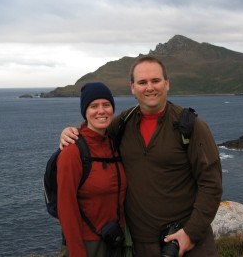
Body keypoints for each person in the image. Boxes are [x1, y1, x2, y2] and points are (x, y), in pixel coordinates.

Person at [60, 56, 223, 257]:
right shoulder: (122, 123)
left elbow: (211, 184)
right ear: (132, 87)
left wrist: (190, 233)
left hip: (186, 244)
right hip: (140, 245)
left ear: (167, 83)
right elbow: (94, 132)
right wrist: (71, 133)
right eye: (142, 82)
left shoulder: (191, 126)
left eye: (155, 81)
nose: (149, 88)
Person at [57, 82, 127, 257]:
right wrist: (77, 252)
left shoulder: (115, 144)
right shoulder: (72, 151)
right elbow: (66, 208)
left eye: (106, 105)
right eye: (94, 106)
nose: (101, 111)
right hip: (87, 245)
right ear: (85, 112)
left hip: (115, 241)